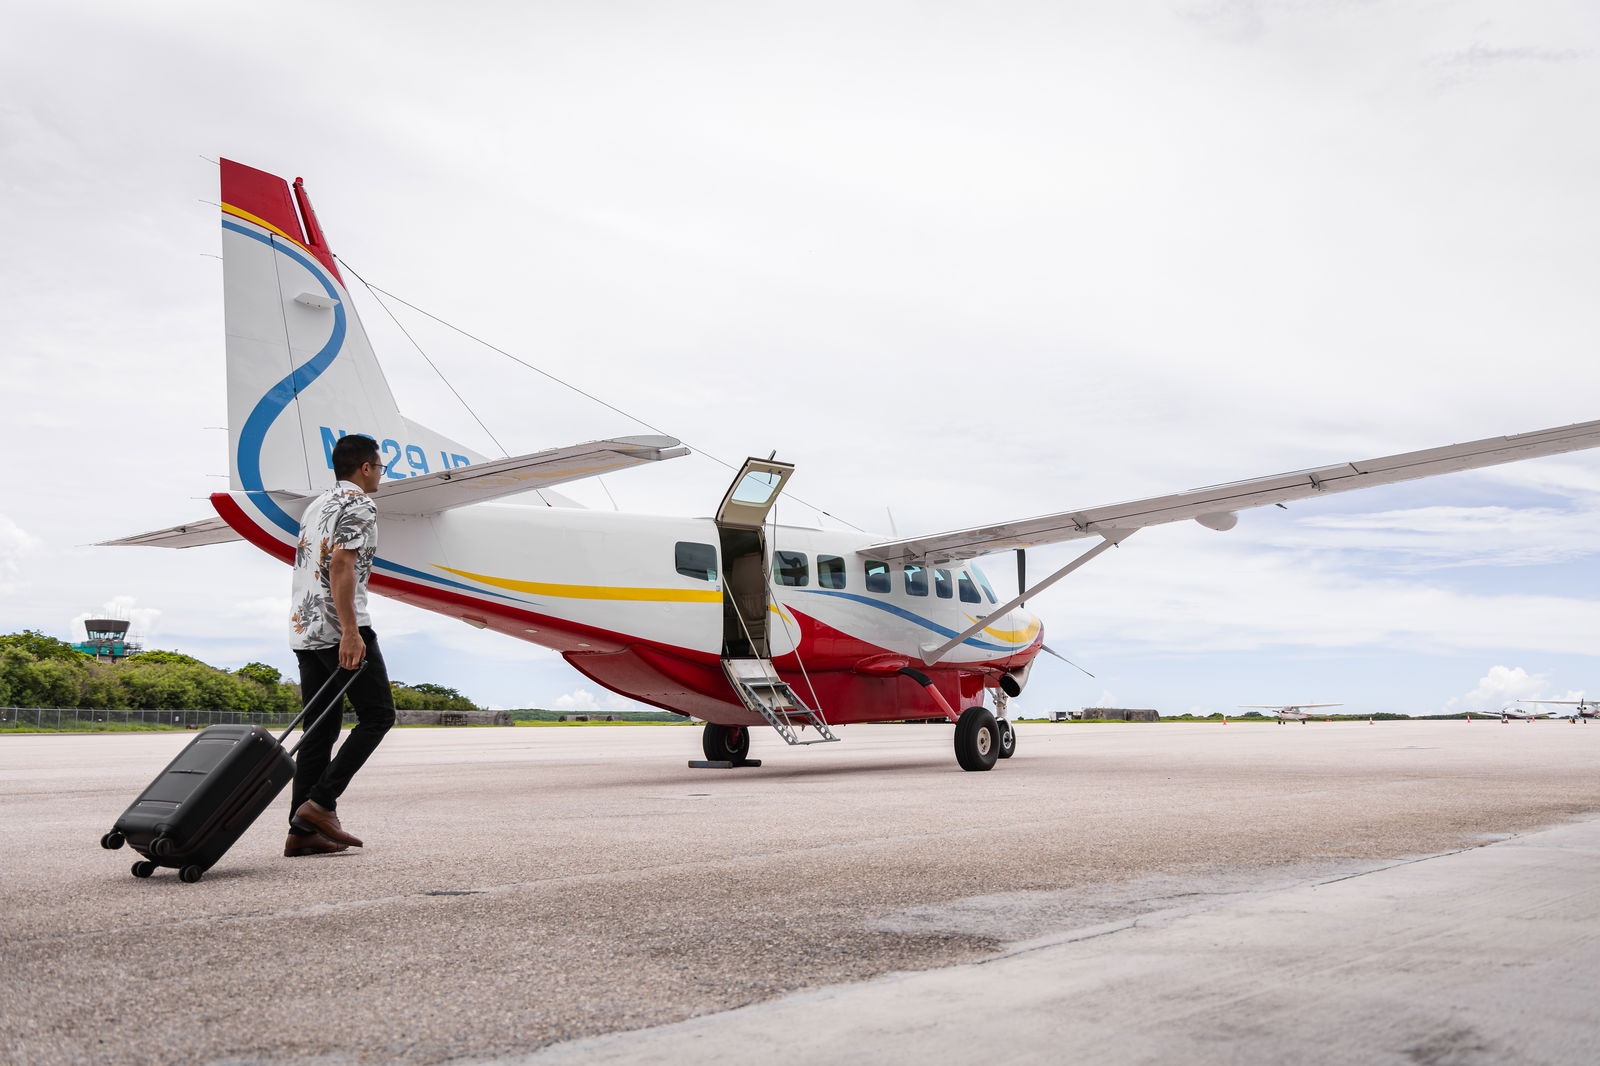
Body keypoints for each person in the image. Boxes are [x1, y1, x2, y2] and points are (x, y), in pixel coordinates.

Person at [284, 434, 395, 857]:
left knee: (320, 732)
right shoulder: (360, 504)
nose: (380, 475)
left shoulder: (317, 506)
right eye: (380, 467)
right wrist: (351, 631)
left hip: (304, 628)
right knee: (378, 715)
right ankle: (322, 804)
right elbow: (342, 565)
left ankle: (301, 832)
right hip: (339, 628)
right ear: (366, 467)